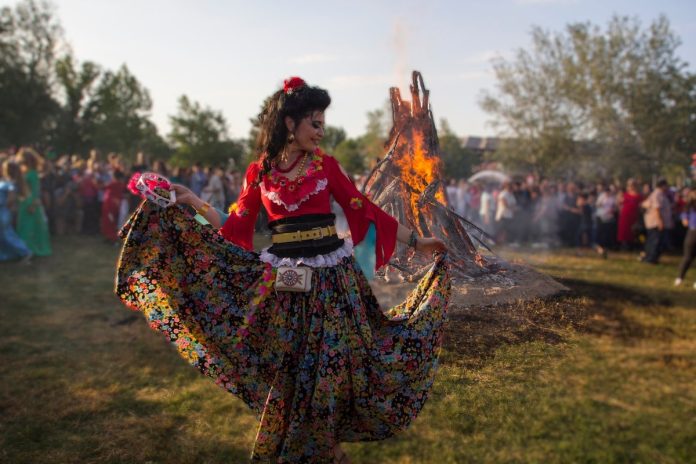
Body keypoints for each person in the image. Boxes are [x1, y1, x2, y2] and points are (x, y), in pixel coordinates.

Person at [116, 77, 450, 463]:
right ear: (290, 124)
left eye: (323, 123)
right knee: (290, 370)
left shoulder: (326, 166)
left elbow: (364, 209)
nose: (321, 131)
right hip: (285, 284)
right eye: (314, 123)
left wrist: (417, 241)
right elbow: (235, 223)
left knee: (331, 368)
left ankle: (328, 446)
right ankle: (320, 447)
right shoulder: (259, 173)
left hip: (331, 282)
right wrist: (191, 200)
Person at [16, 148, 51, 256]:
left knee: (31, 227)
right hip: (24, 202)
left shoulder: (32, 173)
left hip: (31, 203)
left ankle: (32, 249)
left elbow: (36, 191)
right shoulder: (26, 172)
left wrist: (33, 204)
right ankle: (25, 249)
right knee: (24, 226)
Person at [0, 161, 32, 262]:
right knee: (4, 235)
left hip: (3, 211)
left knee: (7, 234)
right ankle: (7, 255)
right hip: (3, 211)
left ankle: (25, 252)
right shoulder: (7, 182)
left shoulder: (10, 183)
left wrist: (5, 206)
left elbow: (11, 198)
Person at [641, 179, 673, 264]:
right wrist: (660, 221)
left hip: (658, 222)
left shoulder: (661, 194)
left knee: (654, 240)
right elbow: (656, 209)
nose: (667, 187)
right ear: (662, 185)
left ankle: (650, 257)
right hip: (656, 223)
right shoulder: (657, 194)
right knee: (655, 241)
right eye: (666, 185)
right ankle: (651, 258)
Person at [674, 189, 696, 289]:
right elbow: (684, 221)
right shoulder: (688, 207)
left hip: (692, 231)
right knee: (687, 257)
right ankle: (680, 277)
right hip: (692, 233)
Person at [100, 170, 127, 243]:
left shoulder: (113, 183)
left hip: (110, 207)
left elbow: (102, 187)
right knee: (111, 221)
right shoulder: (121, 184)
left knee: (110, 222)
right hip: (114, 206)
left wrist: (94, 181)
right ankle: (108, 237)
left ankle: (112, 239)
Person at [617, 179, 643, 249]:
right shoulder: (625, 194)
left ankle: (632, 245)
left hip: (634, 216)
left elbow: (641, 205)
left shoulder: (639, 195)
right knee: (624, 230)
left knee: (633, 231)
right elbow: (619, 203)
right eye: (629, 185)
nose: (631, 187)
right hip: (625, 215)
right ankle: (624, 245)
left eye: (632, 185)